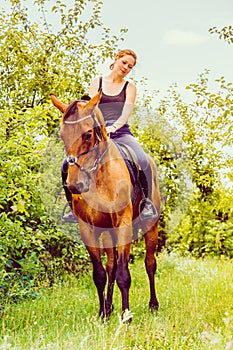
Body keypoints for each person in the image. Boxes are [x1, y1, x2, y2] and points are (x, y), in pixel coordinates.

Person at [62, 49, 157, 222]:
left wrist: (113, 127)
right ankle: (70, 206)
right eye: (124, 62)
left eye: (130, 66)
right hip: (96, 133)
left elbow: (125, 114)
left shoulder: (130, 88)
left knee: (143, 160)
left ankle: (146, 202)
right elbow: (90, 109)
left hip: (120, 133)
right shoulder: (97, 82)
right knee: (67, 162)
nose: (126, 67)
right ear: (116, 59)